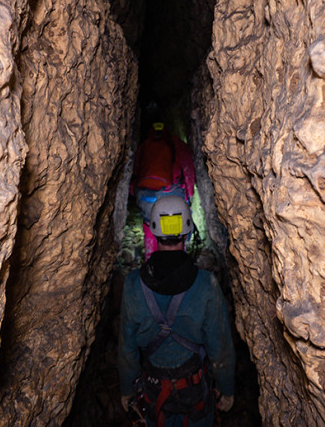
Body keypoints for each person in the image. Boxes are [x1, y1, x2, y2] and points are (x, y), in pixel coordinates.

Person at [118, 196, 235, 427]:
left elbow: (127, 349)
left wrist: (127, 390)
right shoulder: (206, 284)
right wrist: (226, 388)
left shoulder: (132, 284)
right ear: (188, 230)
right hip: (195, 393)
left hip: (154, 394)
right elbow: (220, 348)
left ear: (153, 231)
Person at [130, 122, 196, 259]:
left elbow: (135, 173)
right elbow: (188, 170)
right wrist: (189, 197)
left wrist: (136, 195)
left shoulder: (143, 147)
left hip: (146, 200)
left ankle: (151, 265)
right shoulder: (176, 144)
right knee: (179, 228)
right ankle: (179, 263)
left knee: (149, 224)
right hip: (172, 197)